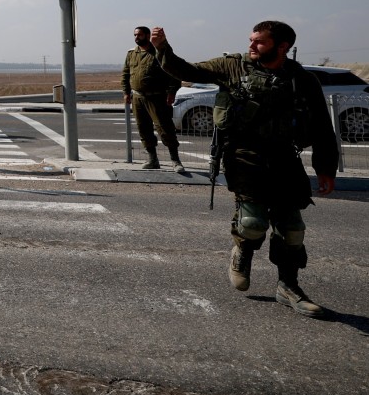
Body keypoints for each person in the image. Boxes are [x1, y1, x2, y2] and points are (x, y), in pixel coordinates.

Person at [150, 21, 337, 318]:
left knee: (292, 229)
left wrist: (326, 167)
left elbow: (323, 128)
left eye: (259, 42)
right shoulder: (232, 67)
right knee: (252, 223)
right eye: (251, 40)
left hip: (285, 159)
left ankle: (288, 287)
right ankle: (243, 251)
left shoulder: (301, 80)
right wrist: (162, 48)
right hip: (243, 156)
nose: (251, 46)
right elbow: (187, 71)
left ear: (282, 47)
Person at [121, 26, 185, 173]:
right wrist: (126, 92)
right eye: (135, 35)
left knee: (165, 129)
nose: (137, 38)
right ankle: (152, 159)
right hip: (138, 98)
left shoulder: (158, 52)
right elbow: (125, 74)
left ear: (148, 36)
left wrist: (172, 92)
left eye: (140, 35)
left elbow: (173, 73)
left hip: (157, 98)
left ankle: (175, 160)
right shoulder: (132, 54)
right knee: (144, 129)